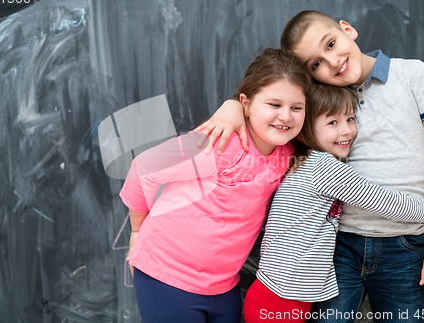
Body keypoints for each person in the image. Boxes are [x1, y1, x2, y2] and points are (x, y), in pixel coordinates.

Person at [194, 11, 424, 322]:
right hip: (337, 246)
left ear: (348, 29)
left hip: (405, 244)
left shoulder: (412, 75)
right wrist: (233, 106)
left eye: (332, 44)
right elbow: (271, 105)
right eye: (315, 64)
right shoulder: (319, 98)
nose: (332, 61)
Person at [119, 48, 312, 323]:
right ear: (245, 103)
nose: (286, 116)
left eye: (296, 108)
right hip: (166, 276)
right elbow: (144, 168)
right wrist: (137, 229)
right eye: (274, 105)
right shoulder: (219, 143)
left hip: (223, 286)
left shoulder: (287, 154)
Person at [243, 83, 424, 323]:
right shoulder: (323, 166)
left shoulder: (302, 159)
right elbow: (387, 202)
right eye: (332, 123)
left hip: (281, 295)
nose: (346, 131)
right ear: (304, 130)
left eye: (350, 119)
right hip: (279, 299)